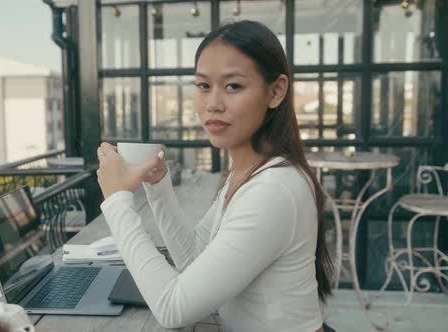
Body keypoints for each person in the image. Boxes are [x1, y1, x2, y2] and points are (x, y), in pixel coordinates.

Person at [96, 20, 333, 332]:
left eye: (233, 86)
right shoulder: (246, 169)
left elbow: (172, 308)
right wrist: (158, 184)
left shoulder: (275, 189)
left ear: (276, 91)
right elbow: (193, 259)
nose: (212, 104)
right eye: (204, 86)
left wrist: (116, 202)